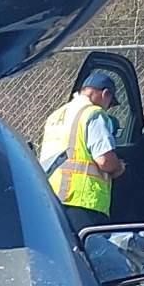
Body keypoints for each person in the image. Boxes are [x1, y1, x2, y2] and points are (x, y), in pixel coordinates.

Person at [41, 68, 129, 234]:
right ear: (105, 94)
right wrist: (119, 168)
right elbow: (105, 160)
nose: (108, 107)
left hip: (53, 198)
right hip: (83, 201)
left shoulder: (56, 115)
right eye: (110, 102)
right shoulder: (94, 114)